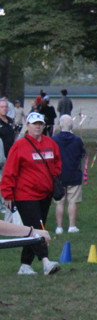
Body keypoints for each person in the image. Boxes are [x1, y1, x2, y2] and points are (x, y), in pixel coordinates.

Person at [0, 112, 62, 274]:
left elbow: (57, 163)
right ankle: (46, 262)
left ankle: (25, 264)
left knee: (33, 228)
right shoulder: (20, 145)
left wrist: (53, 178)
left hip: (45, 194)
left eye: (40, 124)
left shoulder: (50, 143)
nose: (37, 127)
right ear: (27, 126)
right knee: (36, 227)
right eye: (34, 124)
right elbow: (9, 170)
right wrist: (7, 193)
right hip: (25, 195)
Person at [53, 115, 86, 235]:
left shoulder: (54, 140)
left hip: (59, 175)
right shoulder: (77, 140)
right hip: (74, 174)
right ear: (71, 125)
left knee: (59, 202)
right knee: (73, 202)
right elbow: (82, 154)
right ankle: (72, 226)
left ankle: (59, 227)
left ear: (60, 125)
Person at [0, 99, 17, 171]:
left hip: (10, 153)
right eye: (2, 107)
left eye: (6, 107)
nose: (4, 109)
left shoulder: (11, 120)